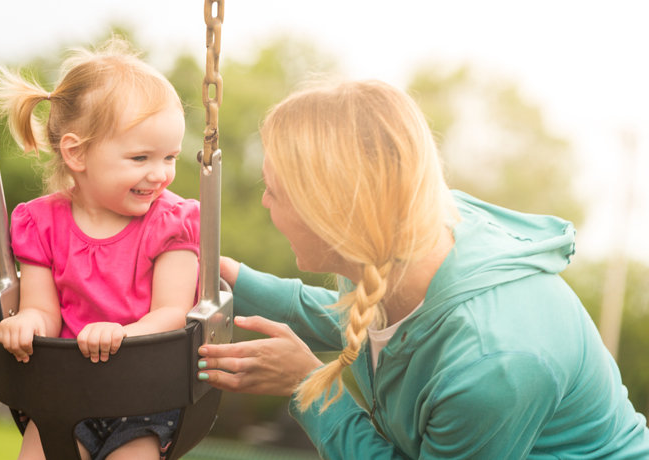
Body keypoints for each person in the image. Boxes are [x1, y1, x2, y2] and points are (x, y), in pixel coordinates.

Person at [196, 79, 649, 458]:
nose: (263, 201)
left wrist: (308, 388)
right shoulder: (412, 230)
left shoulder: (491, 365)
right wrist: (234, 280)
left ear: (329, 213)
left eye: (274, 191)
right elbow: (369, 321)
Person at [0, 37, 199, 460]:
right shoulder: (40, 223)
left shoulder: (172, 222)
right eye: (140, 158)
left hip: (144, 398)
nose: (160, 174)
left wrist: (123, 333)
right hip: (67, 392)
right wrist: (26, 322)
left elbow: (174, 312)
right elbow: (43, 309)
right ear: (77, 153)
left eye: (170, 157)